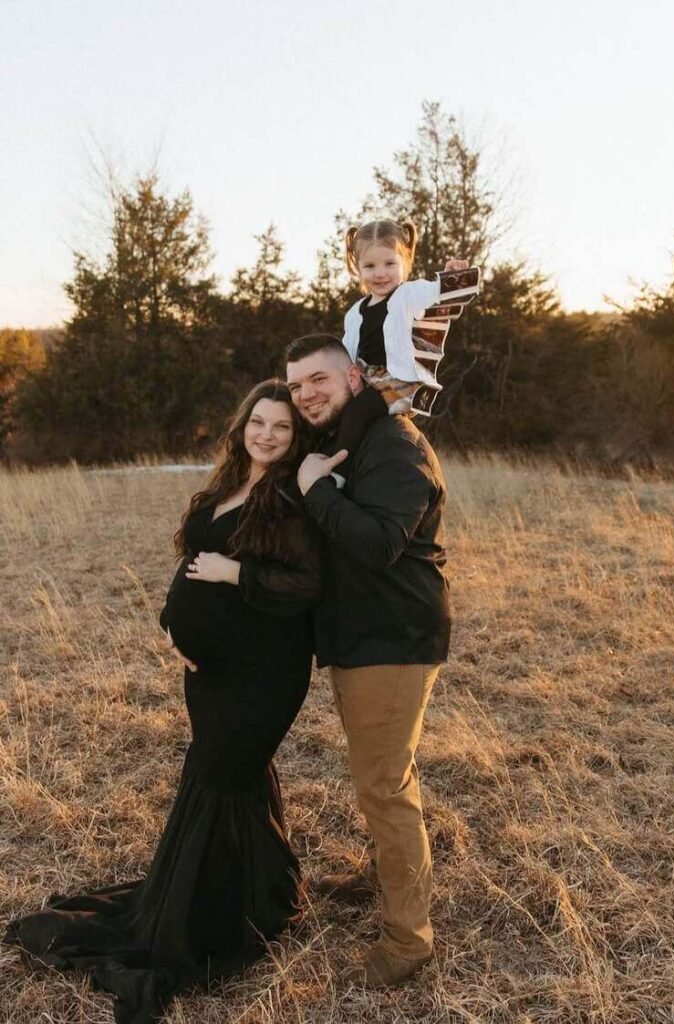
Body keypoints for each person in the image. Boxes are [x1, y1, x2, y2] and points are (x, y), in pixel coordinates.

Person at [4, 380, 322, 1024]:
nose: (266, 435)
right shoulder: (228, 484)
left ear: (295, 438)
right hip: (210, 674)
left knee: (223, 771)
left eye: (281, 427)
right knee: (226, 775)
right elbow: (190, 564)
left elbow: (307, 586)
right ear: (242, 426)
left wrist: (237, 573)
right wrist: (173, 626)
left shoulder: (292, 496)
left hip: (263, 672)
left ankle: (213, 917)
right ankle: (256, 893)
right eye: (258, 422)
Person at [285, 335, 451, 989]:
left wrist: (315, 491)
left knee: (385, 786)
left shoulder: (395, 445)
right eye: (296, 386)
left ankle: (408, 942)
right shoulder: (348, 439)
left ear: (354, 377)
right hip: (362, 636)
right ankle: (384, 874)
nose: (305, 395)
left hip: (393, 636)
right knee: (378, 776)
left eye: (318, 380)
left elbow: (381, 542)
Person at [332, 218, 479, 480]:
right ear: (357, 267)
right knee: (336, 407)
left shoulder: (408, 295)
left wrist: (455, 276)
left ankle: (338, 473)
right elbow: (346, 354)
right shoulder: (354, 313)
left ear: (405, 260)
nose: (380, 273)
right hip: (366, 380)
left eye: (390, 263)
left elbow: (445, 294)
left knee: (358, 411)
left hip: (399, 383)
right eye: (370, 266)